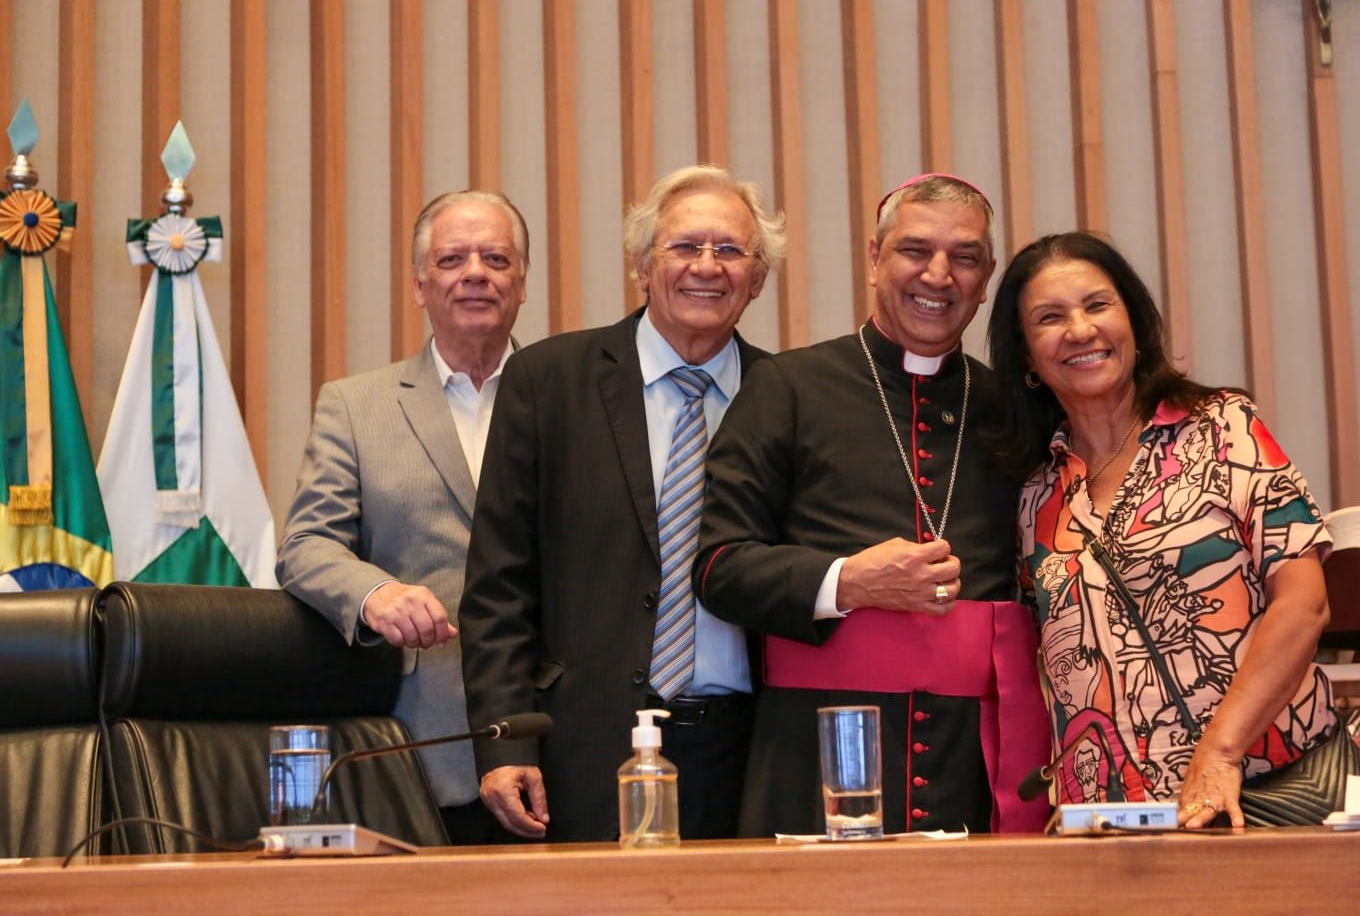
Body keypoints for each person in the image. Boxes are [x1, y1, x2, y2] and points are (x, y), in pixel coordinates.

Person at [695, 173, 1051, 838]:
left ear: (988, 274)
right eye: (915, 251)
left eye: (965, 258)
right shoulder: (787, 388)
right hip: (815, 749)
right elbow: (720, 568)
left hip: (973, 756)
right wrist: (847, 582)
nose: (939, 276)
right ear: (875, 257)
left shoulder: (1014, 409)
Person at [460, 164, 786, 842]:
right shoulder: (547, 382)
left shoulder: (786, 396)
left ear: (757, 279)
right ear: (642, 265)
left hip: (747, 752)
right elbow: (498, 587)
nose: (707, 266)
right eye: (683, 247)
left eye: (730, 251)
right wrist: (504, 745)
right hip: (582, 746)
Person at [986, 230, 1351, 828]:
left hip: (1275, 788)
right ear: (1026, 354)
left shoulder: (1222, 427)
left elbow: (1305, 604)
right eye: (1050, 318)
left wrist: (1220, 751)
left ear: (1133, 319)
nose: (1080, 330)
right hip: (1117, 822)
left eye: (1098, 305)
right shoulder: (1031, 493)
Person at [276, 190, 529, 844]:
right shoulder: (355, 406)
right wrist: (375, 592)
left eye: (495, 257)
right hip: (424, 735)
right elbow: (306, 545)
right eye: (452, 258)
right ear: (420, 285)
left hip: (557, 729)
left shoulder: (575, 399)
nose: (475, 272)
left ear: (521, 282)